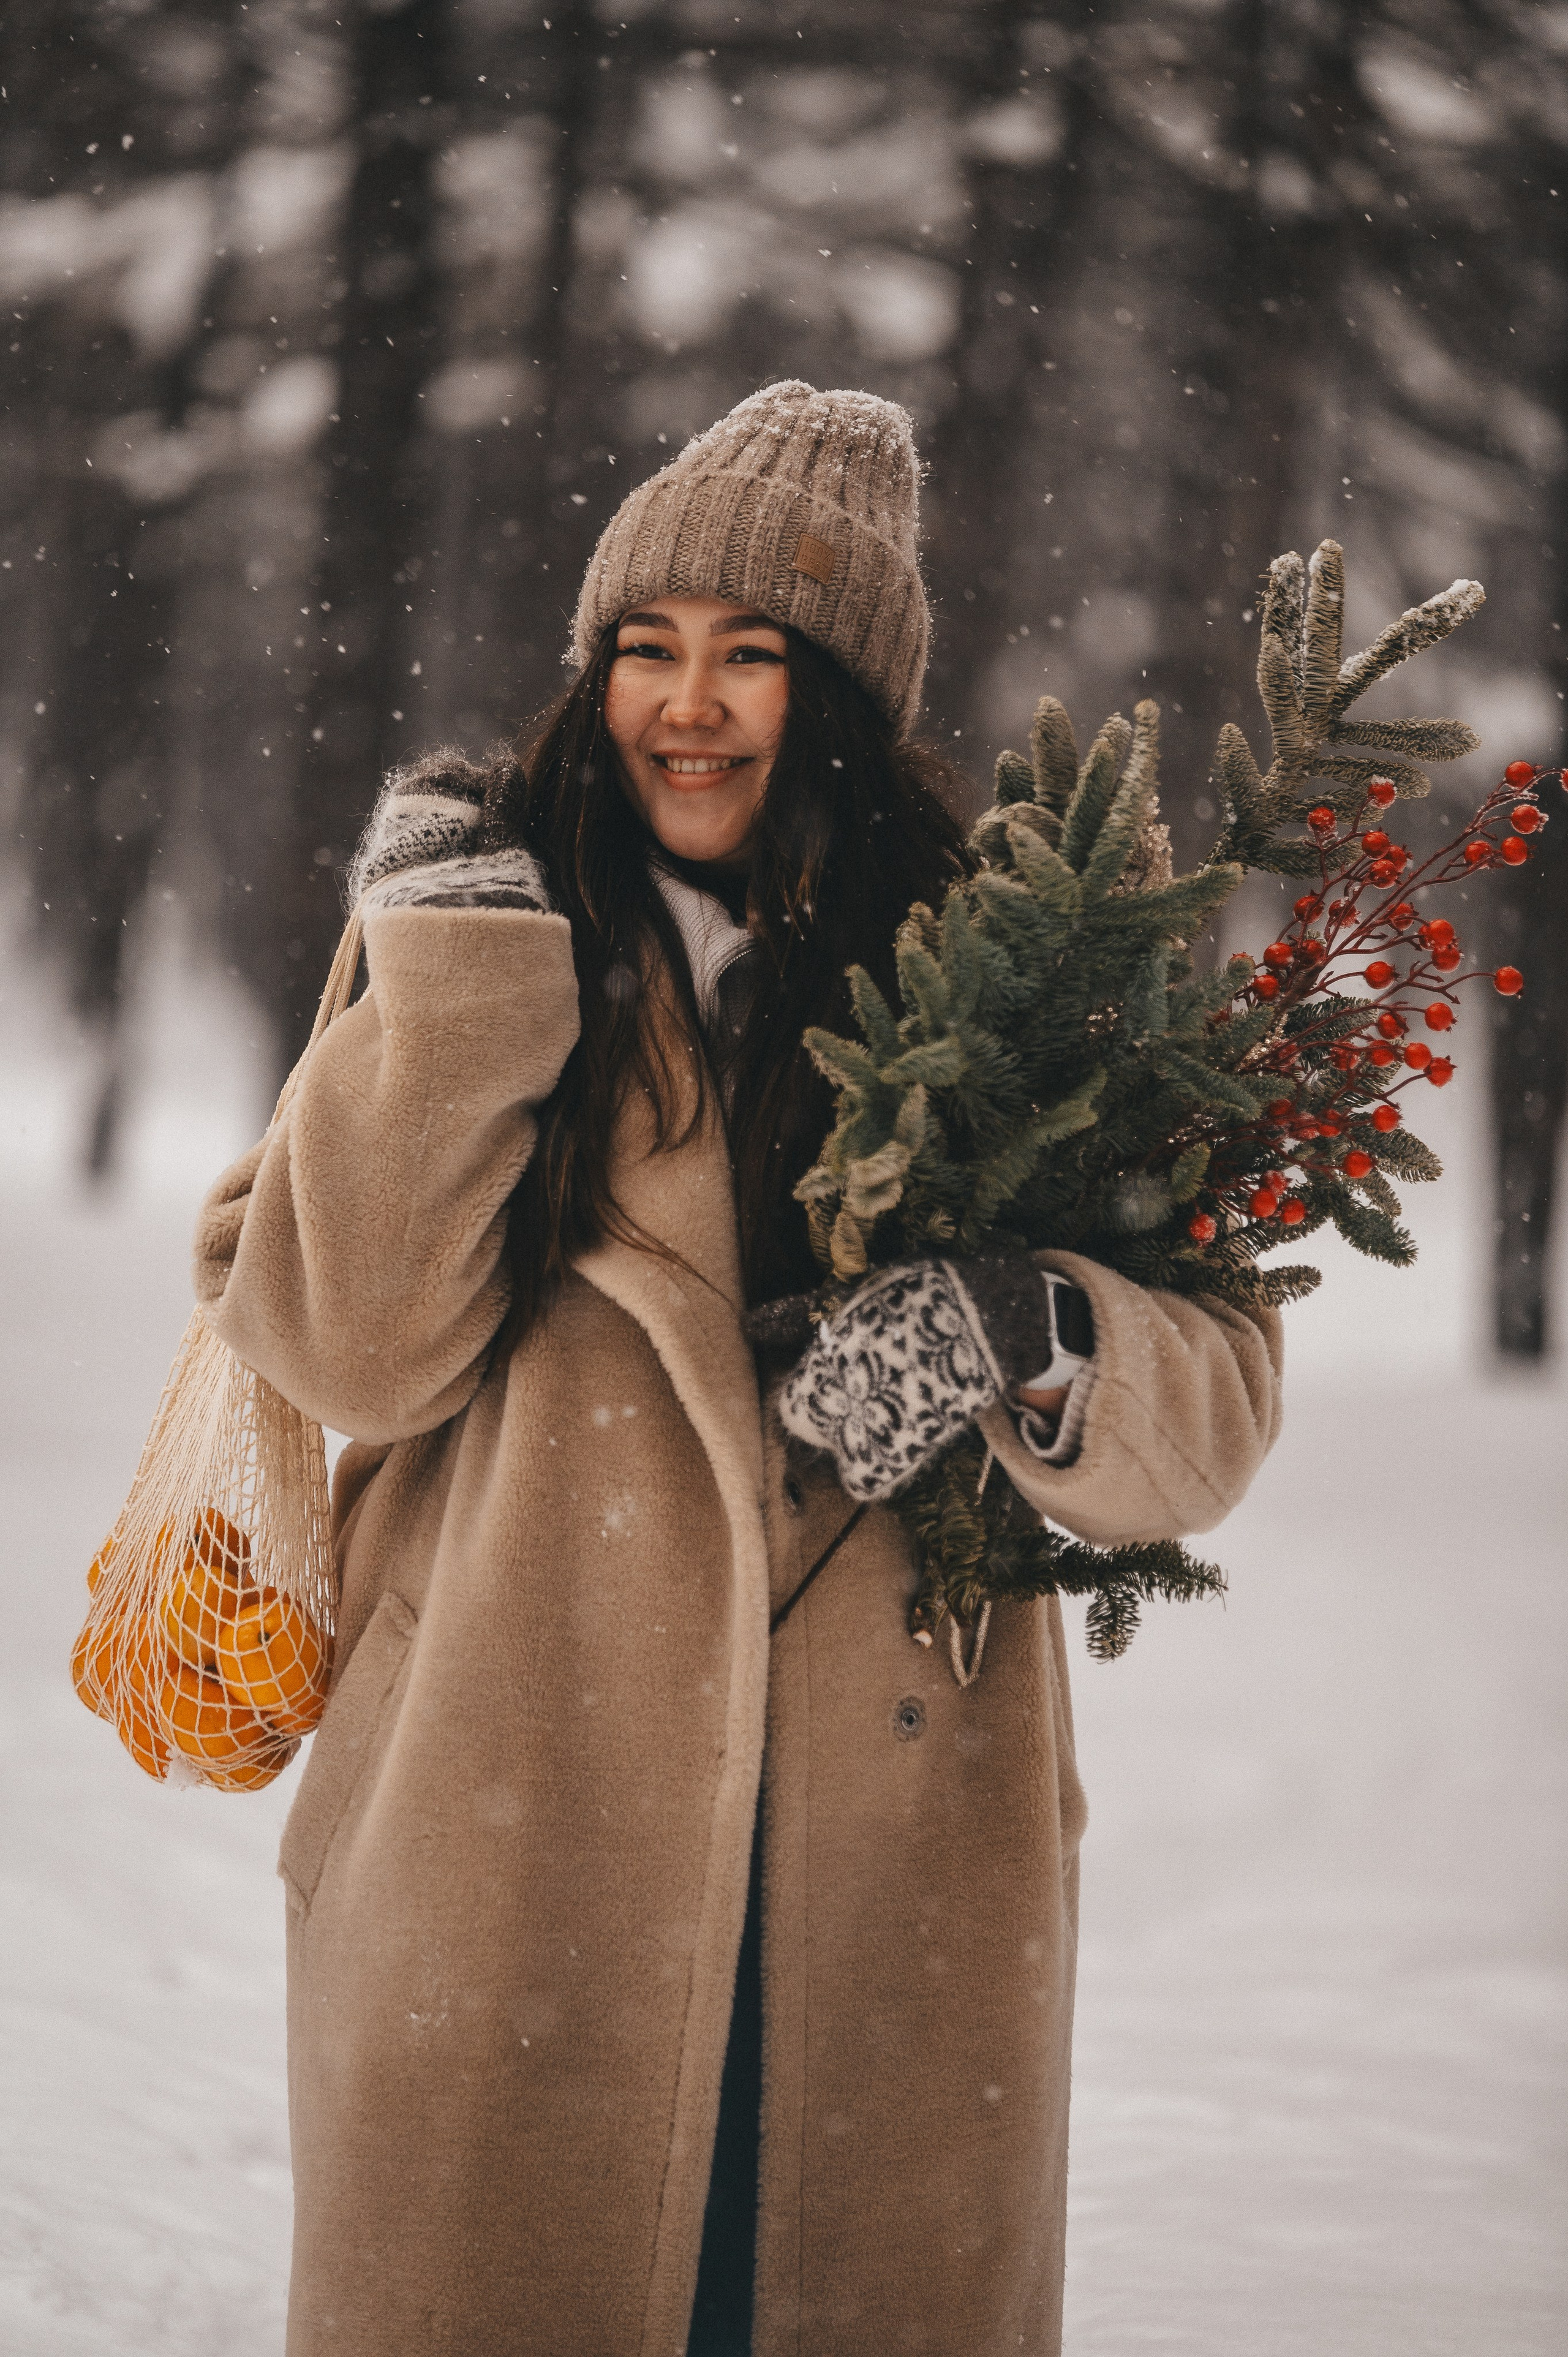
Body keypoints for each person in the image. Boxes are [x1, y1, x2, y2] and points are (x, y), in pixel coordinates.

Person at [194, 380, 1283, 2357]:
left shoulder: (1006, 985)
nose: (685, 705)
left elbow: (1212, 1398)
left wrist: (1026, 1331)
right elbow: (352, 1340)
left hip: (884, 1863)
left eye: (751, 658)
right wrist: (453, 985)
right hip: (510, 1831)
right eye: (646, 649)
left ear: (841, 699)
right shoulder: (491, 934)